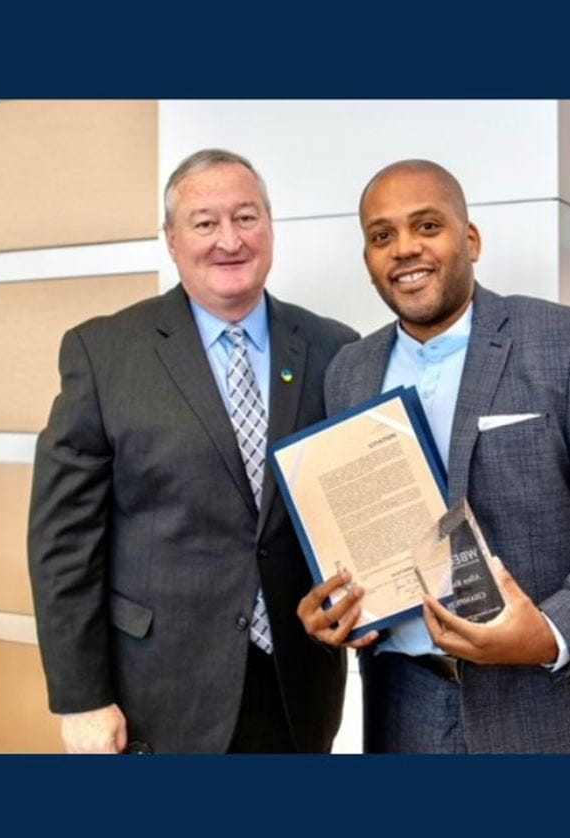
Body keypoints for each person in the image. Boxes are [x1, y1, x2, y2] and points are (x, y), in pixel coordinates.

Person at [297, 160, 570, 753]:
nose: (404, 249)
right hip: (403, 712)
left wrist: (554, 633)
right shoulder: (349, 371)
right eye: (382, 236)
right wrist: (334, 612)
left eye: (427, 226)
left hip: (550, 709)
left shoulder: (566, 342)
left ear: (469, 239)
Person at [28, 149, 358, 753]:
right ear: (172, 239)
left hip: (298, 683)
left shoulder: (334, 347)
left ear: (271, 226)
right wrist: (80, 698)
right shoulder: (104, 353)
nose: (229, 240)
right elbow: (64, 544)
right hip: (159, 690)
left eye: (246, 217)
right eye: (205, 223)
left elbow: (349, 502)